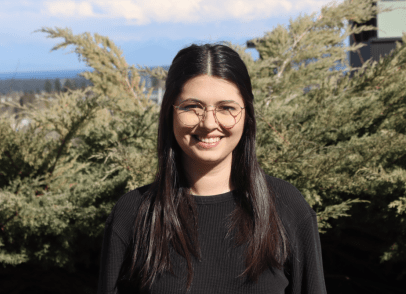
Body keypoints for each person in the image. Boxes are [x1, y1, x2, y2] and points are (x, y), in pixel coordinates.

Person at [97, 43, 327, 294]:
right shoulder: (133, 214)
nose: (208, 123)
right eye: (192, 107)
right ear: (170, 113)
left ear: (247, 115)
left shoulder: (287, 208)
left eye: (226, 108)